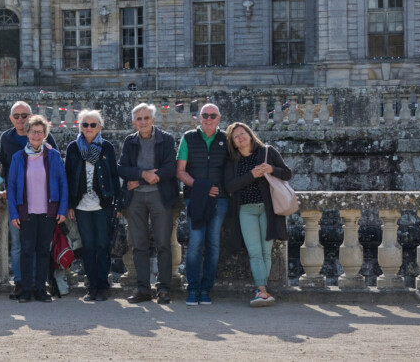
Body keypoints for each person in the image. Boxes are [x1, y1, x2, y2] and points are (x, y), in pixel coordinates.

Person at [224, 122, 292, 307]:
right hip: (246, 210)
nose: (240, 137)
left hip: (268, 209)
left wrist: (271, 170)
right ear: (234, 143)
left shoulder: (267, 152)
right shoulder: (232, 161)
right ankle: (262, 291)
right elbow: (229, 186)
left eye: (242, 133)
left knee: (265, 251)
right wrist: (251, 175)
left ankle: (262, 292)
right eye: (235, 136)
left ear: (250, 134)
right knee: (255, 252)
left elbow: (287, 174)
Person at [117, 103, 179, 305]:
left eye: (146, 118)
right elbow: (122, 169)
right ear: (134, 122)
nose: (143, 122)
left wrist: (141, 179)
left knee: (163, 244)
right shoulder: (129, 141)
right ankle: (143, 289)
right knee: (139, 245)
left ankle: (163, 289)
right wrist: (143, 174)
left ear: (153, 120)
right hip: (135, 199)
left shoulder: (166, 139)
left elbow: (170, 169)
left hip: (160, 197)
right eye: (139, 119)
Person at [0, 101, 56, 300]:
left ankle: (38, 285)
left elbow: (57, 171)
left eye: (25, 115)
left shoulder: (47, 140)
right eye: (17, 116)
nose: (20, 119)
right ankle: (21, 283)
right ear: (11, 118)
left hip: (42, 204)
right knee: (18, 245)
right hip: (20, 203)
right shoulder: (6, 138)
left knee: (39, 247)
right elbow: (6, 169)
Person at [6, 115, 67, 303]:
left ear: (44, 135)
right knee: (26, 250)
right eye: (33, 131)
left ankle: (40, 289)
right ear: (28, 134)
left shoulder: (53, 156)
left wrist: (62, 209)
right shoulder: (18, 157)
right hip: (26, 212)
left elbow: (63, 183)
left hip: (48, 211)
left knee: (43, 251)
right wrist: (14, 213)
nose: (36, 135)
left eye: (40, 132)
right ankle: (25, 290)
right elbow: (12, 187)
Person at [176, 103, 230, 306]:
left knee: (213, 244)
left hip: (220, 199)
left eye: (212, 115)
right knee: (196, 242)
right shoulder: (188, 138)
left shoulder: (226, 138)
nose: (208, 118)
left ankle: (206, 289)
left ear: (219, 118)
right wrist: (201, 187)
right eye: (205, 115)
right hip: (196, 197)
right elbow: (180, 171)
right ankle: (193, 289)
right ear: (199, 117)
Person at [64, 110, 120, 302]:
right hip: (81, 205)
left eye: (93, 125)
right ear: (80, 126)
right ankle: (92, 286)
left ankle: (103, 286)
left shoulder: (107, 148)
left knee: (102, 246)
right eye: (85, 125)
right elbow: (68, 178)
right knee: (88, 247)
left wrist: (118, 204)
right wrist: (69, 204)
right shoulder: (73, 148)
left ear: (99, 127)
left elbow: (114, 176)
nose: (89, 128)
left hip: (102, 204)